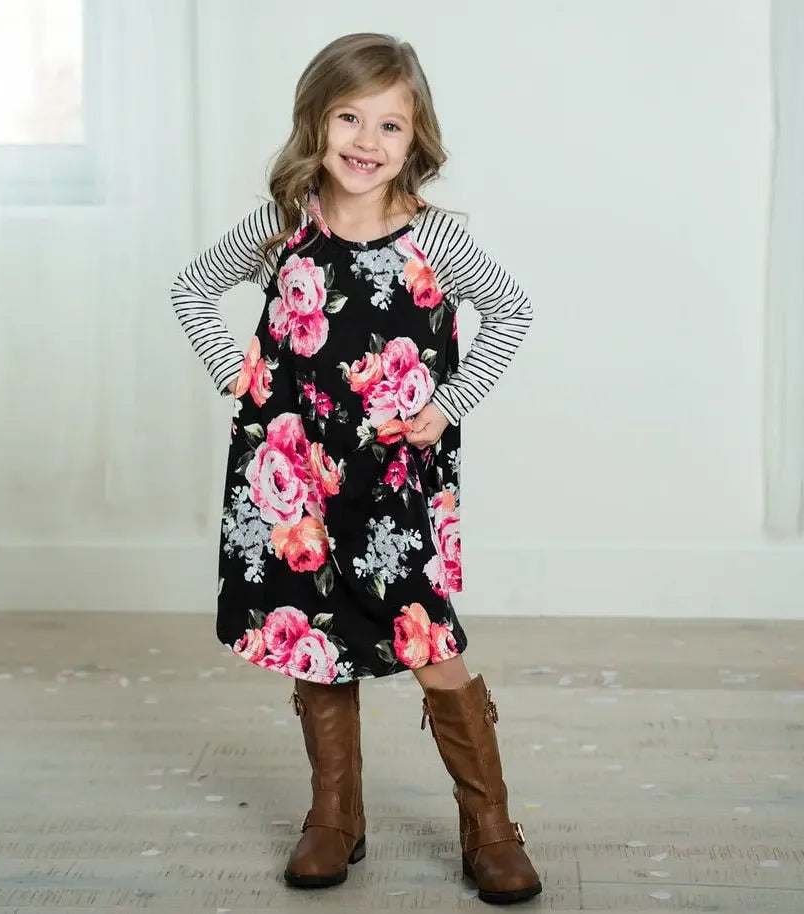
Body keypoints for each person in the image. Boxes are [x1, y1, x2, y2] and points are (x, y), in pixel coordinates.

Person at [171, 32, 541, 906]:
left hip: (393, 486)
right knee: (314, 634)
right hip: (295, 478)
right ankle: (335, 813)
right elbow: (192, 289)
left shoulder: (434, 238)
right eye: (349, 117)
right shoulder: (285, 223)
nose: (367, 142)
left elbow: (512, 313)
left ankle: (489, 824)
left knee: (429, 640)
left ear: (417, 141)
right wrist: (238, 370)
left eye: (390, 125)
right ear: (316, 122)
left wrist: (447, 404)